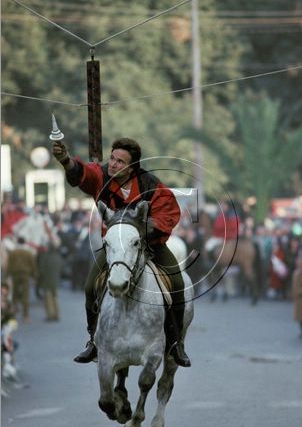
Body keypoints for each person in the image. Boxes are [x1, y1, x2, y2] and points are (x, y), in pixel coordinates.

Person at [52, 137, 191, 367]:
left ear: (132, 166)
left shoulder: (151, 184)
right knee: (90, 287)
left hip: (149, 244)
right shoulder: (101, 176)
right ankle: (93, 341)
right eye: (113, 159)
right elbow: (83, 174)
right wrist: (65, 160)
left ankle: (176, 343)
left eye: (120, 161)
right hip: (115, 248)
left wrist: (141, 227)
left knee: (177, 283)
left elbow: (169, 213)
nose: (114, 164)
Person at [6, 237, 36, 323]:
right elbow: (33, 266)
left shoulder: (13, 253)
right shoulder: (28, 253)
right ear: (25, 243)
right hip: (25, 275)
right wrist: (34, 277)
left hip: (15, 275)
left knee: (14, 294)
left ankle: (13, 314)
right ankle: (26, 316)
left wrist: (7, 276)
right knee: (25, 295)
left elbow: (9, 265)